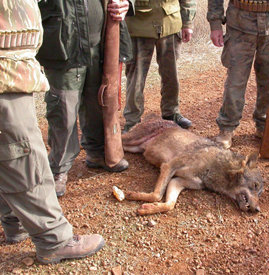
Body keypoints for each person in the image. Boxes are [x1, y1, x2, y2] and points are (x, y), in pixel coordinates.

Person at [0, 0, 104, 264]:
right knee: (21, 152)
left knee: (8, 150)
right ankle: (53, 239)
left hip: (12, 64)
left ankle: (15, 222)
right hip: (6, 68)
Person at [36, 0, 135, 197]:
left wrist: (126, 3)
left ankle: (97, 153)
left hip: (101, 45)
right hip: (63, 47)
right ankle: (58, 170)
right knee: (64, 111)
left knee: (99, 102)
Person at [207, 0, 269, 149]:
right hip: (240, 26)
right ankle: (227, 128)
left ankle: (265, 124)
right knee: (235, 81)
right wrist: (215, 24)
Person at [123, 0, 197, 132]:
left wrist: (187, 22)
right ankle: (132, 121)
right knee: (136, 77)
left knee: (171, 73)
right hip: (139, 24)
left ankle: (171, 112)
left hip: (170, 22)